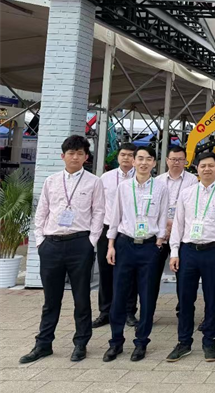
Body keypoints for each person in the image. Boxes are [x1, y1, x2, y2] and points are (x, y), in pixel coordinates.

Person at [20, 135, 105, 364]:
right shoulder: (51, 181)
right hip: (52, 244)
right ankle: (43, 344)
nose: (75, 157)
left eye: (80, 153)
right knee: (51, 299)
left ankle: (81, 343)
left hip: (80, 243)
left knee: (81, 298)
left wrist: (91, 241)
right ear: (63, 156)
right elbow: (42, 211)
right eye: (71, 153)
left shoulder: (94, 182)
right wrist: (40, 240)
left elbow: (99, 212)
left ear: (86, 157)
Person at [167, 152, 215, 363]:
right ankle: (184, 342)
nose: (207, 169)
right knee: (185, 298)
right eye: (203, 165)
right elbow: (178, 224)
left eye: (211, 165)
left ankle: (209, 341)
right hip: (188, 251)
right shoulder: (187, 194)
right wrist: (174, 252)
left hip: (213, 251)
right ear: (196, 168)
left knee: (211, 298)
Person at [103, 146, 168, 362]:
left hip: (149, 246)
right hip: (125, 245)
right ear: (133, 161)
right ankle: (116, 342)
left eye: (148, 159)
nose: (143, 163)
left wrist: (159, 240)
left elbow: (163, 215)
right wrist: (111, 245)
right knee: (119, 295)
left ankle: (141, 342)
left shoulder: (161, 188)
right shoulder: (123, 187)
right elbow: (115, 217)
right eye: (139, 158)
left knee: (147, 296)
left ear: (154, 163)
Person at [95, 142, 138, 329]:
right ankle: (105, 311)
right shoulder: (106, 178)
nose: (126, 158)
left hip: (130, 230)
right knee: (106, 271)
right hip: (107, 229)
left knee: (130, 273)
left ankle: (129, 311)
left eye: (130, 155)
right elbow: (98, 205)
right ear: (118, 156)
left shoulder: (141, 178)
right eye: (123, 154)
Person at [154, 145, 198, 312]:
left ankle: (183, 309)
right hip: (161, 234)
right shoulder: (158, 181)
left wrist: (176, 225)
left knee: (184, 276)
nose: (176, 162)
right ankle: (148, 310)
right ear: (167, 160)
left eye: (180, 159)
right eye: (173, 159)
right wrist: (165, 224)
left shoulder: (192, 180)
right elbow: (154, 207)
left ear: (185, 161)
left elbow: (193, 208)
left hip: (182, 234)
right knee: (153, 274)